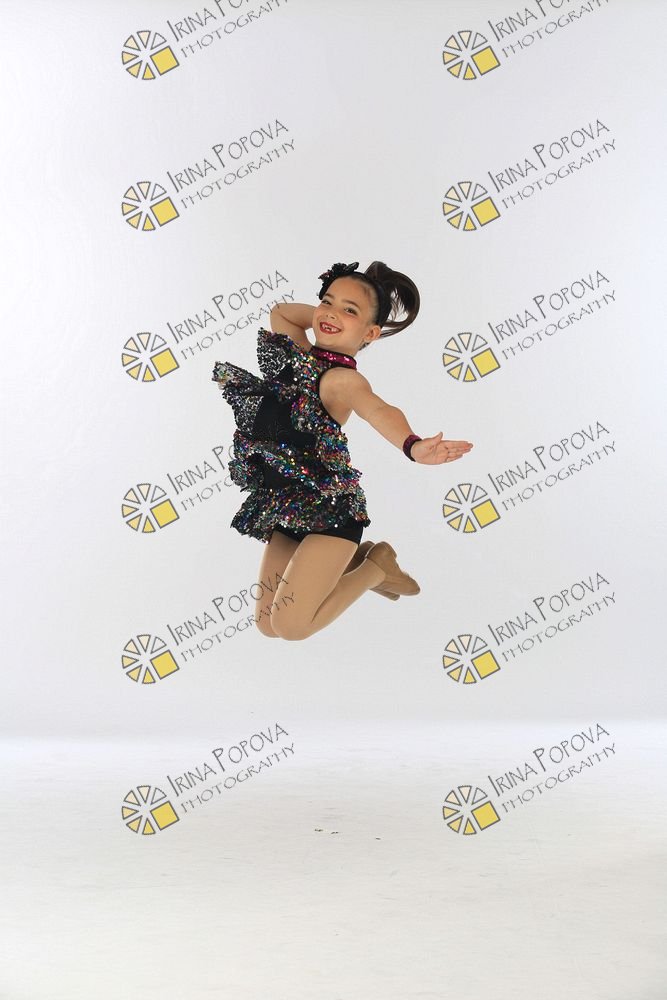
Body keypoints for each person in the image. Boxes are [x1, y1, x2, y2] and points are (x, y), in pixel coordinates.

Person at [212, 260, 473, 641]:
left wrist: (413, 445)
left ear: (371, 333)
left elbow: (379, 410)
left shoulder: (343, 381)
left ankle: (375, 567)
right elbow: (282, 312)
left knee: (291, 626)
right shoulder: (295, 356)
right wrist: (334, 314)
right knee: (267, 625)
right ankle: (353, 562)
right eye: (327, 302)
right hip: (286, 506)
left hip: (331, 513)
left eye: (349, 310)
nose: (331, 313)